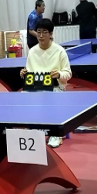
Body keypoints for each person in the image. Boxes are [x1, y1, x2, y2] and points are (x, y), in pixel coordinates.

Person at [19, 18, 71, 148]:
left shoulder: (60, 51)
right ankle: (34, 130)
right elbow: (30, 73)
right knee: (22, 97)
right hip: (36, 88)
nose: (41, 35)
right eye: (39, 32)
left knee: (51, 98)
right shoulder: (32, 51)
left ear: (51, 34)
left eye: (44, 32)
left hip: (56, 88)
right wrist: (24, 73)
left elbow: (68, 73)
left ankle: (55, 133)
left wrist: (59, 74)